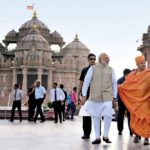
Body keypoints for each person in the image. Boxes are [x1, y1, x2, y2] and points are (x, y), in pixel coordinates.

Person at [81, 53, 117, 144]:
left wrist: (115, 97)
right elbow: (86, 81)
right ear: (101, 59)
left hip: (107, 96)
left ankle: (105, 135)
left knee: (108, 115)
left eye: (109, 58)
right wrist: (84, 94)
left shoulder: (111, 70)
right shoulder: (92, 69)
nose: (108, 60)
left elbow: (114, 84)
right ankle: (97, 137)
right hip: (95, 96)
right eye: (106, 58)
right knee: (96, 117)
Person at [118, 55, 149, 145]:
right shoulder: (132, 74)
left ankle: (146, 138)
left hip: (145, 101)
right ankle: (137, 135)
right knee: (135, 120)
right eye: (141, 63)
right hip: (135, 103)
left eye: (144, 63)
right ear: (137, 64)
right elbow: (127, 85)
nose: (144, 65)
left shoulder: (148, 73)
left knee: (145, 119)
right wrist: (120, 87)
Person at [77, 53, 96, 139]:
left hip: (96, 96)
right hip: (86, 96)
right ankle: (86, 133)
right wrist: (78, 95)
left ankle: (97, 135)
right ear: (88, 60)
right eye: (91, 59)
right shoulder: (84, 70)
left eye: (94, 59)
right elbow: (81, 83)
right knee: (86, 115)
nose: (93, 60)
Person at [117, 69, 133, 136]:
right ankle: (120, 130)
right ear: (125, 75)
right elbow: (118, 91)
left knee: (130, 115)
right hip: (121, 101)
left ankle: (131, 131)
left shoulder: (132, 80)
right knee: (121, 115)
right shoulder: (120, 80)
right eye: (129, 75)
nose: (130, 76)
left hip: (129, 101)